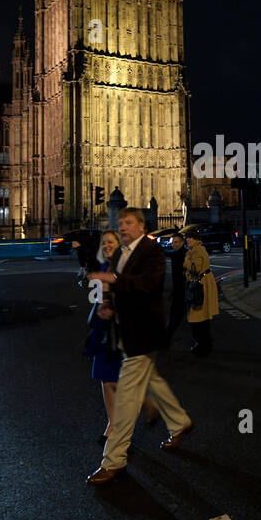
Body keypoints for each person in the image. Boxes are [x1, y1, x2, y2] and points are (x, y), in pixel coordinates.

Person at [85, 207, 193, 484]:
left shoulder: (153, 251)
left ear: (141, 226)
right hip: (125, 331)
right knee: (154, 383)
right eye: (120, 223)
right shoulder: (121, 253)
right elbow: (116, 290)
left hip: (144, 334)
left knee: (126, 400)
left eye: (128, 223)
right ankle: (180, 422)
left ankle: (114, 460)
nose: (122, 227)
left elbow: (150, 285)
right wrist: (107, 306)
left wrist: (113, 279)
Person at [83, 229, 123, 441]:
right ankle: (113, 423)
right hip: (104, 330)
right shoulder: (105, 266)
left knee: (118, 382)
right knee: (106, 380)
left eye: (111, 242)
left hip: (119, 331)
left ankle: (119, 434)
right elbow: (96, 297)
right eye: (104, 243)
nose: (106, 246)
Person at [183, 224, 219, 355]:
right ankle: (204, 344)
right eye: (187, 238)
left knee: (197, 317)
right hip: (201, 285)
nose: (188, 240)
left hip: (201, 286)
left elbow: (195, 268)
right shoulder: (195, 250)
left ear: (196, 239)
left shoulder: (197, 250)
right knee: (202, 317)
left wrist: (186, 261)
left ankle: (203, 345)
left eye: (190, 239)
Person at [164, 231, 187, 344]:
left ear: (183, 242)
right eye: (173, 242)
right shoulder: (179, 253)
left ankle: (166, 339)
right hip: (179, 290)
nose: (174, 244)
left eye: (177, 242)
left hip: (182, 291)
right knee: (178, 315)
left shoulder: (181, 254)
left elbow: (167, 253)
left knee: (175, 316)